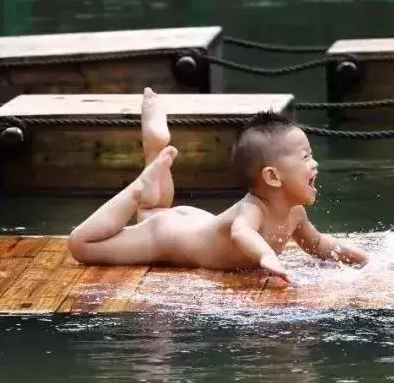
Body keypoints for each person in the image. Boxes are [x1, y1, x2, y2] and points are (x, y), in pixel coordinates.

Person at [68, 88, 369, 284]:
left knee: (155, 210)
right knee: (81, 246)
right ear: (273, 177)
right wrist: (266, 257)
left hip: (189, 225)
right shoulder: (254, 208)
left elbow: (318, 245)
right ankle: (137, 190)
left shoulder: (295, 214)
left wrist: (365, 259)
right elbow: (242, 233)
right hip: (167, 238)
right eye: (306, 157)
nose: (314, 164)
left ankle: (155, 150)